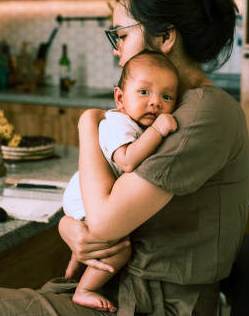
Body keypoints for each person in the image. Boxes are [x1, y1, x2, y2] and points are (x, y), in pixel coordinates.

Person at [0, 0, 249, 316]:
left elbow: (105, 220)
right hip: (125, 287)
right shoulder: (169, 107)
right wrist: (68, 225)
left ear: (166, 38)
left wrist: (88, 125)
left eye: (121, 35)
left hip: (157, 305)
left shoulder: (201, 114)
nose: (115, 50)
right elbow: (109, 199)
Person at [62, 50, 180, 312]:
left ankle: (75, 270)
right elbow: (126, 160)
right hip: (83, 196)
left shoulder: (134, 124)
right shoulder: (119, 123)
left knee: (98, 242)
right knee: (119, 248)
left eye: (167, 96)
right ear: (120, 98)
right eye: (144, 92)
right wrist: (159, 130)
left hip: (90, 192)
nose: (156, 102)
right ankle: (85, 289)